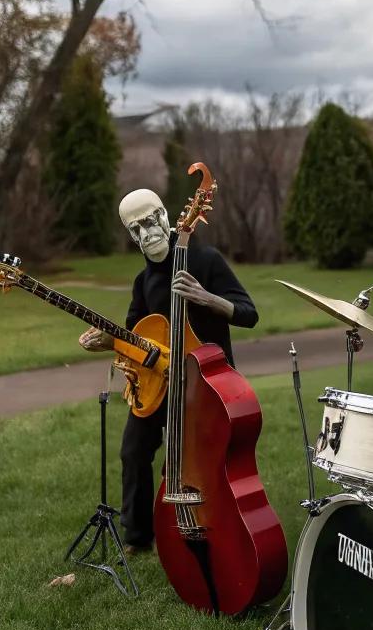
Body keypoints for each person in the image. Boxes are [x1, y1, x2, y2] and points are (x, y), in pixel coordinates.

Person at [78, 188, 258, 552]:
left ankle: (217, 522)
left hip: (206, 386)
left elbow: (248, 313)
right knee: (134, 450)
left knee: (204, 460)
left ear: (165, 215)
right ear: (130, 235)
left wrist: (207, 298)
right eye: (136, 228)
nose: (147, 233)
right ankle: (138, 536)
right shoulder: (143, 282)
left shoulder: (205, 259)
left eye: (150, 220)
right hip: (160, 384)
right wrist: (111, 341)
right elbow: (134, 336)